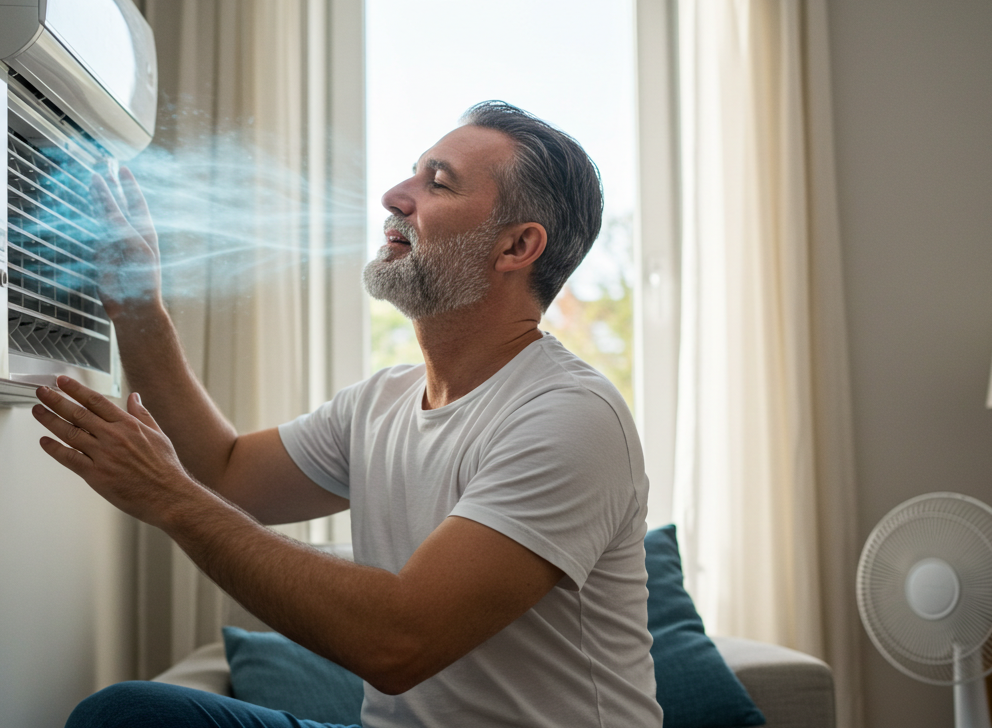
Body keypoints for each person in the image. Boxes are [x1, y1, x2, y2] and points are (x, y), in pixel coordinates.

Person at [35, 101, 662, 728]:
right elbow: (223, 473)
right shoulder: (381, 402)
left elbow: (398, 641)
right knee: (131, 715)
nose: (395, 194)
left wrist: (170, 498)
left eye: (436, 183)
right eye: (411, 173)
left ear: (517, 246)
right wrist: (138, 306)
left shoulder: (570, 417)